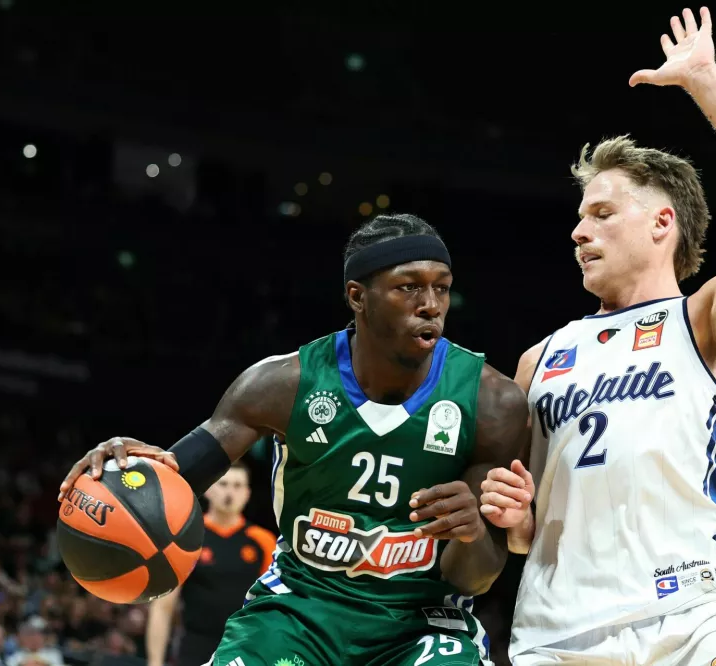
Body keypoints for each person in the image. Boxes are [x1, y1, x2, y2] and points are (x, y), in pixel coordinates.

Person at [480, 7, 716, 665]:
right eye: (579, 218)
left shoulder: (708, 324)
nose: (579, 232)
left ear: (663, 224)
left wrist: (705, 81)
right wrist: (513, 519)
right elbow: (521, 533)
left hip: (690, 622)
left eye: (602, 213)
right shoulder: (538, 359)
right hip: (559, 636)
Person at [59, 214, 529, 666]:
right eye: (409, 287)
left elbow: (476, 576)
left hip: (420, 624)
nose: (432, 304)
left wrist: (470, 532)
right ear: (357, 296)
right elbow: (172, 480)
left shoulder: (492, 402)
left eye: (441, 288)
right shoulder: (279, 385)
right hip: (299, 611)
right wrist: (125, 473)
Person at [146, 464, 276, 666]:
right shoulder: (187, 539)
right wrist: (155, 662)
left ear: (247, 493)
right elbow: (163, 607)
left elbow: (274, 605)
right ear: (208, 489)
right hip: (195, 648)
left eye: (237, 486)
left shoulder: (264, 541)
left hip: (246, 647)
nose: (230, 492)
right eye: (223, 484)